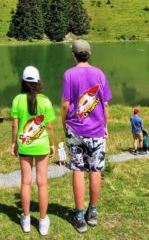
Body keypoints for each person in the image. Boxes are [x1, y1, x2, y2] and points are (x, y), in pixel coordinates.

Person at [61, 40, 111, 233]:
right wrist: (105, 126)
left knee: (78, 169)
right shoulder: (99, 73)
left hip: (75, 130)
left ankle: (80, 216)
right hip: (97, 130)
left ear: (73, 55)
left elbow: (66, 104)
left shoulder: (69, 74)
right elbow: (105, 104)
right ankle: (93, 213)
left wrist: (64, 122)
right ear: (89, 54)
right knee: (96, 169)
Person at [10, 65, 56, 236]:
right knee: (42, 183)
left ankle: (26, 220)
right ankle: (43, 222)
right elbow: (50, 127)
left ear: (23, 81)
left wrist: (13, 143)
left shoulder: (17, 100)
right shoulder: (45, 101)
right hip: (42, 145)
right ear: (38, 82)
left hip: (24, 145)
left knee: (25, 182)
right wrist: (52, 144)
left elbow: (15, 125)